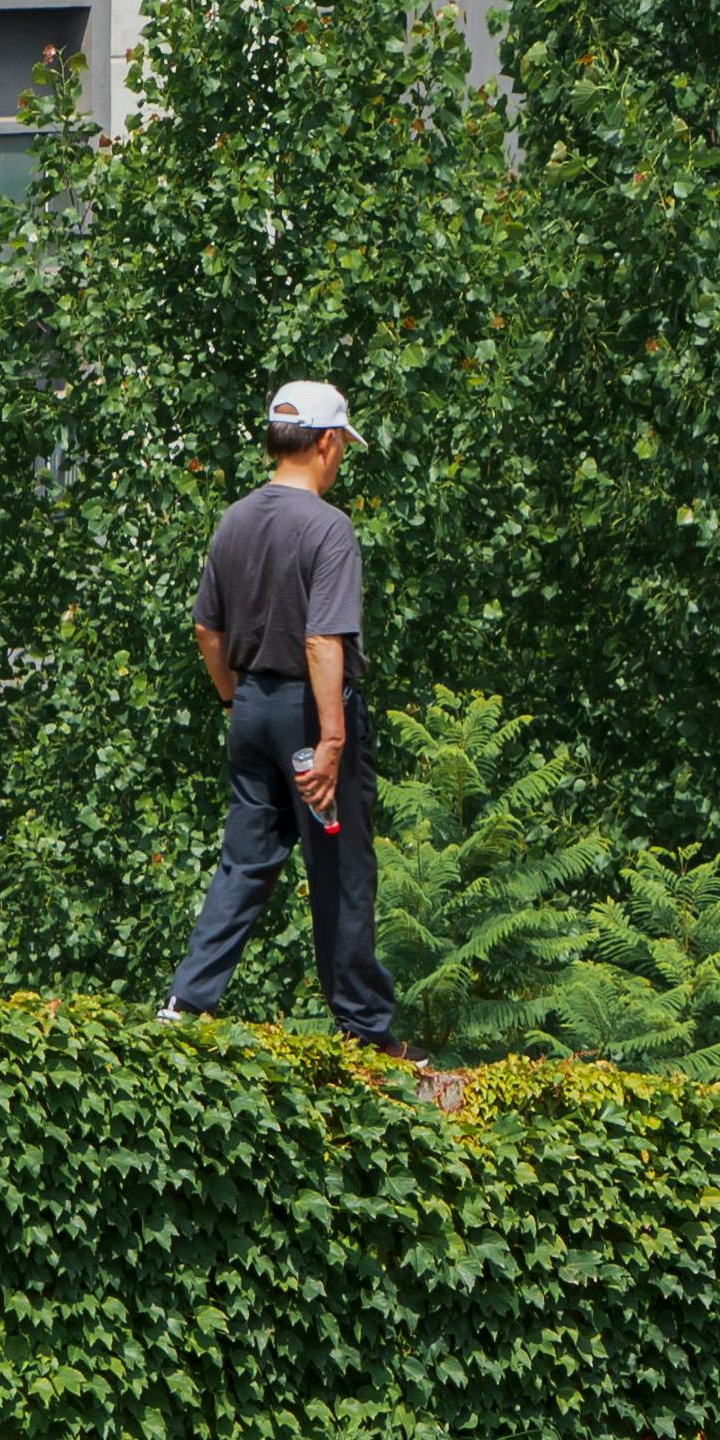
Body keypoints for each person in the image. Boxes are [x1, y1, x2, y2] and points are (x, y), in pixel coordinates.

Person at [165, 381, 416, 1054]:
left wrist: (232, 699)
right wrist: (332, 738)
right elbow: (322, 640)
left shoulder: (235, 520)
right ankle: (363, 1028)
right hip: (310, 715)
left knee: (244, 862)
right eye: (343, 449)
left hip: (250, 710)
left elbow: (206, 629)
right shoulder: (327, 527)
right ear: (328, 443)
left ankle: (185, 1004)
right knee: (339, 866)